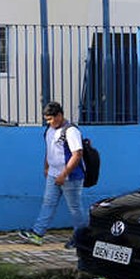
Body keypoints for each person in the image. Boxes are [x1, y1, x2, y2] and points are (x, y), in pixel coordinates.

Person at [18, 101, 88, 249]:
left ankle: (81, 238)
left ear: (60, 115)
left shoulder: (70, 131)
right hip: (53, 174)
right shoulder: (49, 130)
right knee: (48, 203)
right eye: (47, 119)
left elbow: (77, 155)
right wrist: (46, 167)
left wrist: (64, 174)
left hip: (70, 177)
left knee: (75, 208)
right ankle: (37, 233)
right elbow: (49, 150)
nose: (49, 122)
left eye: (51, 119)